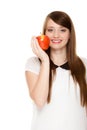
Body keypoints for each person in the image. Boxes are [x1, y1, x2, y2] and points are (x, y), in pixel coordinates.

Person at [25, 11, 87, 130]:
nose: (56, 35)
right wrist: (45, 61)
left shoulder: (84, 64)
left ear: (70, 34)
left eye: (62, 30)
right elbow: (39, 100)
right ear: (44, 33)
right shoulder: (34, 64)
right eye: (50, 30)